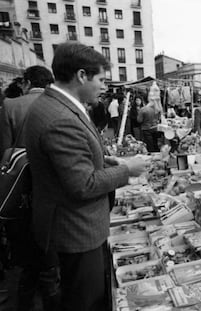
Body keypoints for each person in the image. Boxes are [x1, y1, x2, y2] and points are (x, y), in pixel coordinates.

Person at [24, 42, 148, 311]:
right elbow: (82, 184)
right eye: (101, 80)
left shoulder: (59, 106)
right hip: (77, 230)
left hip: (76, 225)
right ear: (81, 76)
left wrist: (106, 160)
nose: (104, 87)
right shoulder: (59, 118)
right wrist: (127, 169)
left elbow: (74, 159)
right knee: (85, 301)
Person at [0, 66, 59, 310]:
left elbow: (4, 151)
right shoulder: (57, 106)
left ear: (26, 82)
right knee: (50, 250)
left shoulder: (11, 106)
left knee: (26, 250)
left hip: (20, 186)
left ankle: (26, 296)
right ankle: (51, 293)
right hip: (51, 187)